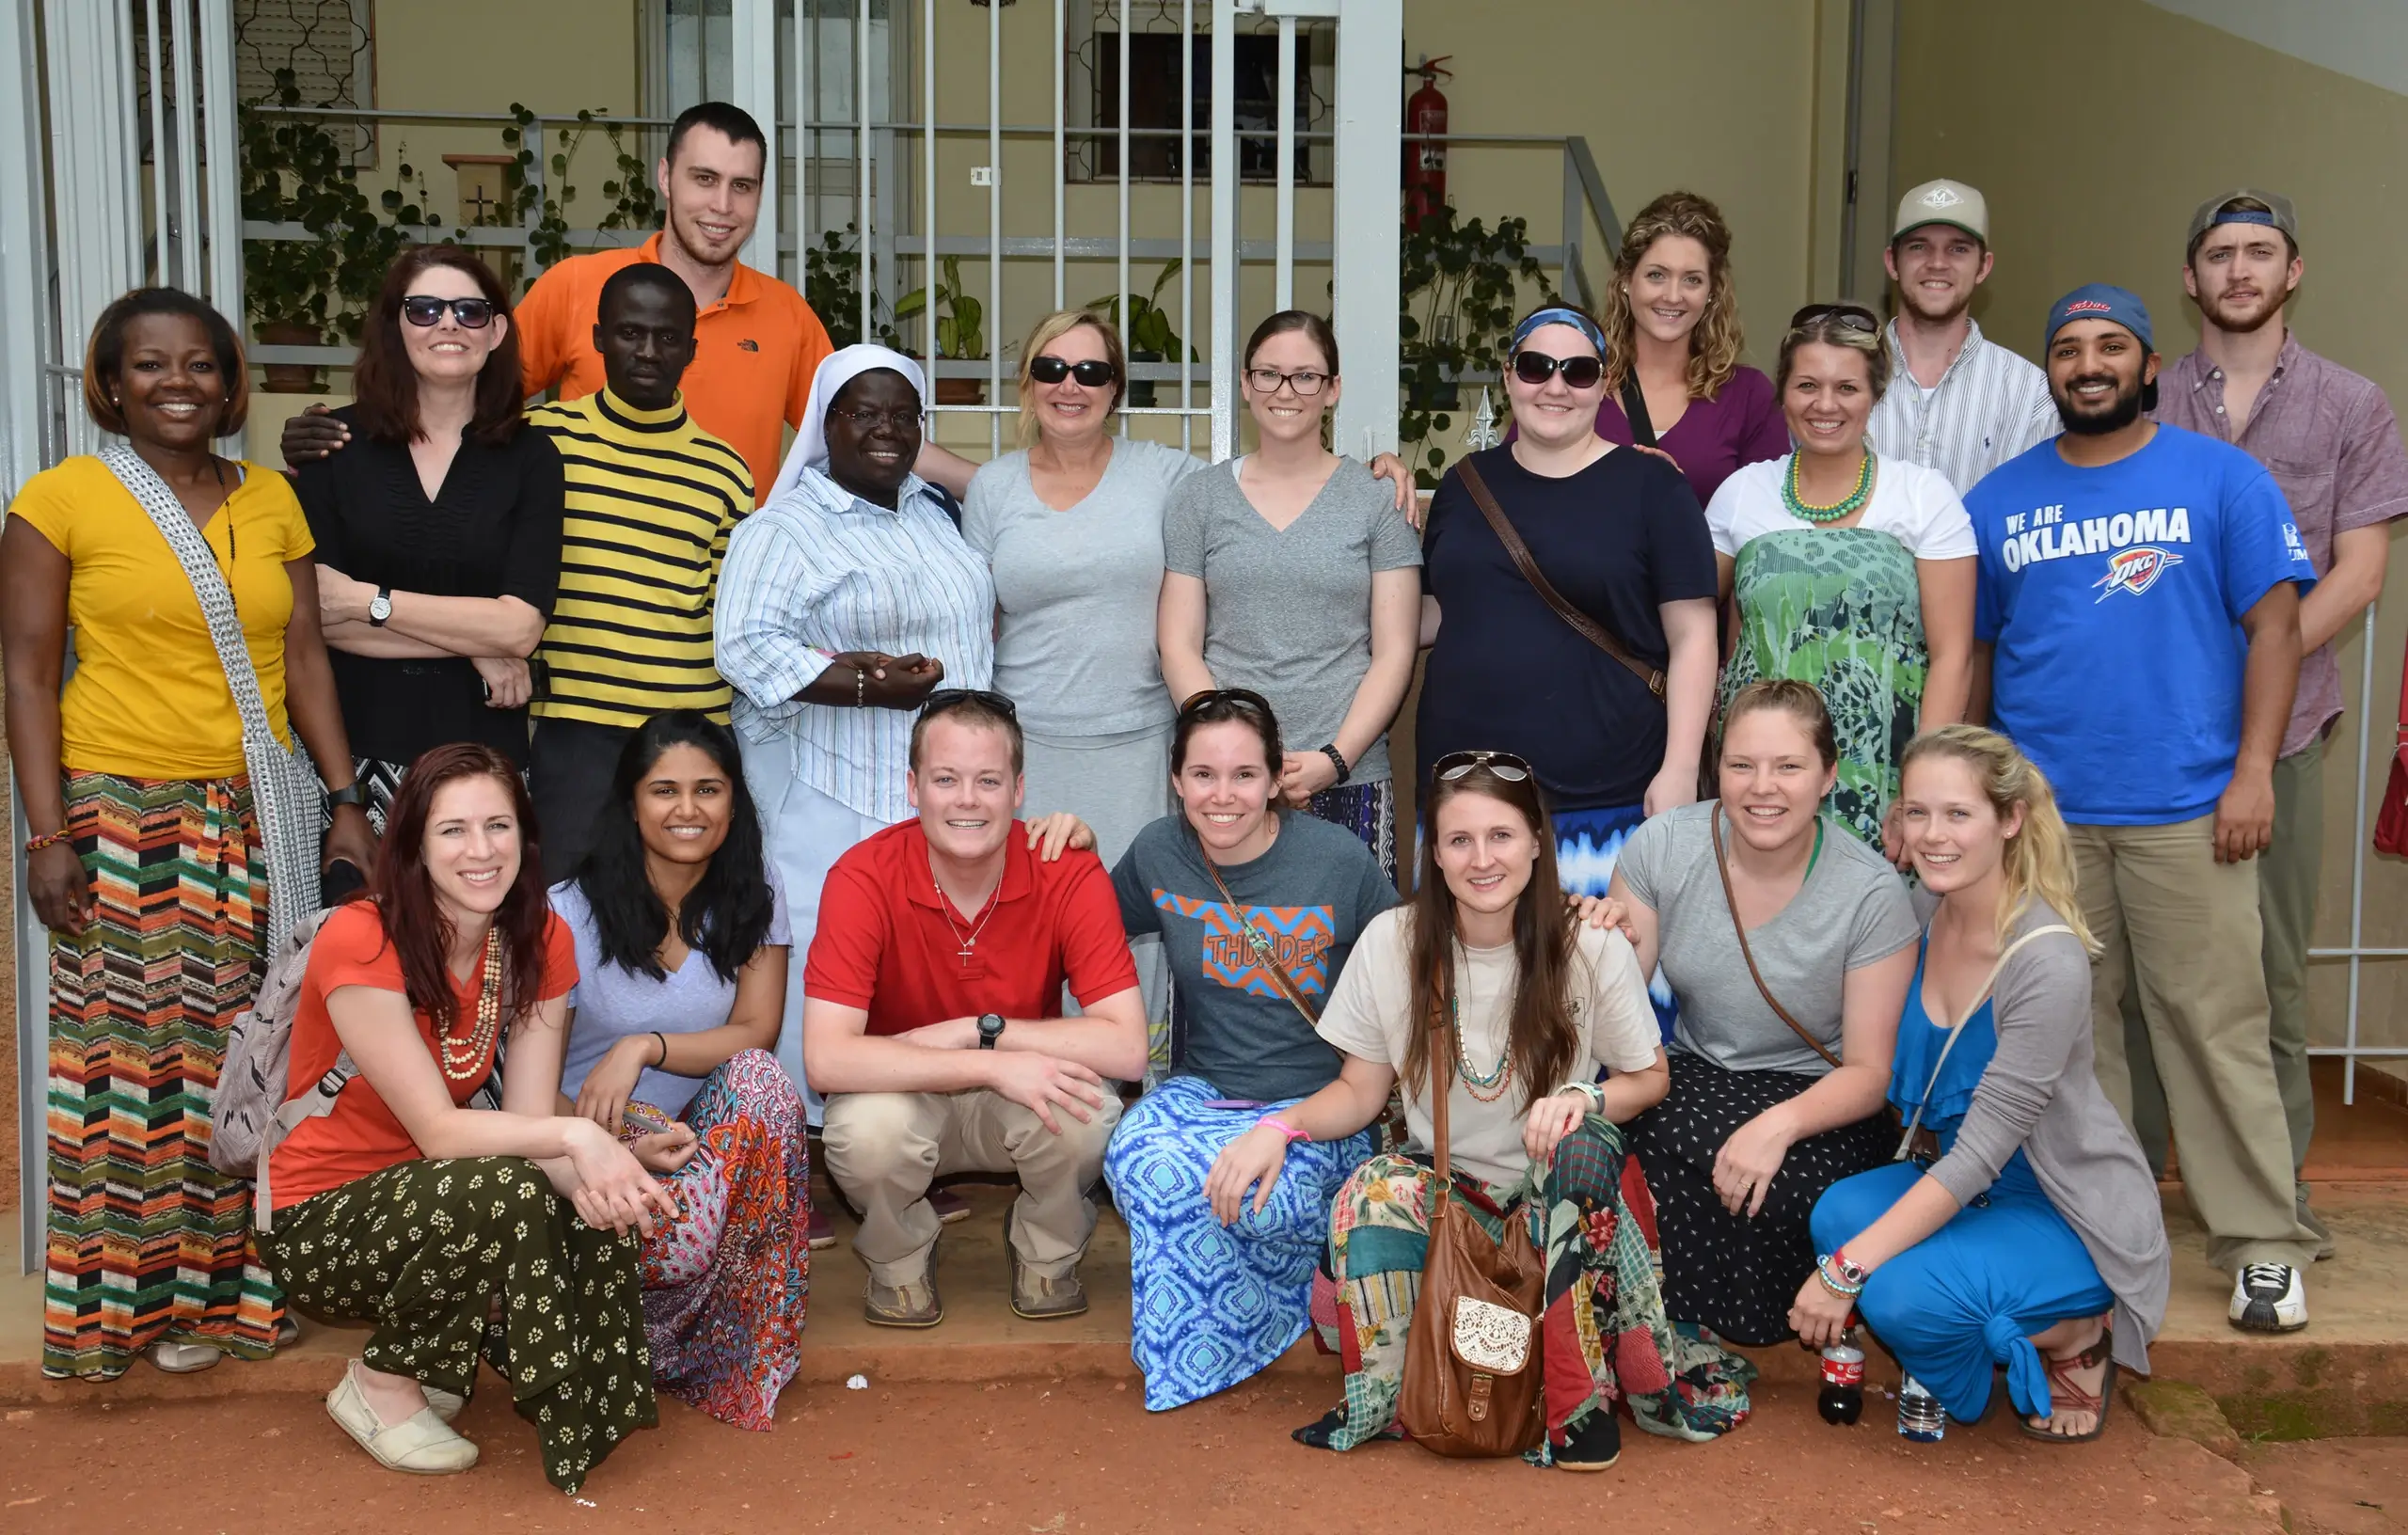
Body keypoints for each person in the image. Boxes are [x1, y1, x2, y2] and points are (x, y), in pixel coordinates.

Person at [2, 288, 376, 1381]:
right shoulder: (59, 499)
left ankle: (232, 1299)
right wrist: (44, 835)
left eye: (202, 365)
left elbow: (305, 656)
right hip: (121, 812)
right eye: (151, 366)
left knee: (245, 1057)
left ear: (232, 383)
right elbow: (25, 675)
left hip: (257, 814)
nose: (179, 383)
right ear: (110, 385)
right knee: (125, 1067)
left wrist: (346, 799)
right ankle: (117, 1313)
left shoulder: (271, 503)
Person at [1212, 752, 1750, 1467]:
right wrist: (1279, 1127)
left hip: (1554, 1198)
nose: (1481, 859)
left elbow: (1648, 1078)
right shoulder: (1393, 944)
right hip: (1448, 1197)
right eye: (1459, 841)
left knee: (1583, 1147)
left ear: (1536, 841)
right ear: (1435, 854)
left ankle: (1574, 1401)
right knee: (1371, 1191)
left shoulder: (1591, 943)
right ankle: (1395, 1395)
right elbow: (1362, 1092)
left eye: (1501, 836)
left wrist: (1582, 1095)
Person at [1965, 283, 2323, 1332]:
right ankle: (2100, 1226)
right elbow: (1981, 656)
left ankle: (2261, 1240)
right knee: (2071, 1038)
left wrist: (2253, 771)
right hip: (2047, 822)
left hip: (2186, 807)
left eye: (2109, 346)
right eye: (2068, 347)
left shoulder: (2222, 479)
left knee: (2214, 1026)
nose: (2088, 363)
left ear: (2148, 363)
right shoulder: (1998, 499)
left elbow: (2277, 628)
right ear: (2049, 373)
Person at [258, 744, 666, 1490]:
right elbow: (444, 1134)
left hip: (435, 1197)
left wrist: (598, 1183)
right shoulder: (362, 937)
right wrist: (583, 1135)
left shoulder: (541, 938)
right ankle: (382, 1383)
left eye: (499, 826)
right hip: (317, 1218)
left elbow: (527, 1121)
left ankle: (435, 1357)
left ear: (525, 837)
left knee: (578, 1198)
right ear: (412, 843)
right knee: (506, 1186)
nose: (481, 852)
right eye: (453, 831)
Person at [280, 103, 977, 501]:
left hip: (725, 596)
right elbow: (462, 392)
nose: (722, 205)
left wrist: (998, 487)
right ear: (666, 177)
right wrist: (347, 432)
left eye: (743, 185)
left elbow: (863, 429)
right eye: (705, 178)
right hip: (586, 598)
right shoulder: (583, 286)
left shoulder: (785, 315)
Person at [2148, 190, 2408, 1258]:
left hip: (2290, 729)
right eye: (2219, 253)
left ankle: (2272, 1204)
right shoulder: (2144, 395)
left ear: (2292, 271)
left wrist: (2258, 660)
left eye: (2260, 252)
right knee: (2139, 977)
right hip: (2152, 734)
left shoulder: (2351, 405)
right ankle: (2135, 1192)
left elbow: (2360, 569)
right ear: (2190, 277)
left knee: (2270, 975)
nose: (2240, 270)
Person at [1798, 726, 2170, 1441]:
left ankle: (2075, 1332)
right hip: (1962, 1185)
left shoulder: (2045, 957)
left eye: (1958, 814)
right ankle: (1962, 1312)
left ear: (2010, 819)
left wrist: (1846, 1275)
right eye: (1916, 812)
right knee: (1838, 1215)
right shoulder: (1923, 914)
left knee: (1897, 1291)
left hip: (2059, 1205)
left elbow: (1978, 1155)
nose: (1933, 835)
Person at [800, 692, 1147, 1326]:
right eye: (946, 779)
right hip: (905, 1093)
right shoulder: (862, 876)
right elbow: (825, 1060)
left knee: (1086, 1113)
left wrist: (986, 1039)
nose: (967, 799)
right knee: (864, 1138)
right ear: (912, 786)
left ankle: (1047, 1250)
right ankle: (899, 1260)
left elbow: (1126, 1048)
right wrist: (981, 1053)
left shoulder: (1065, 868)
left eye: (988, 780)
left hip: (1004, 1090)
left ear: (1018, 790)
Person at [1099, 689, 1398, 1411]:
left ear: (1275, 779)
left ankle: (1291, 1295)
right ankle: (1205, 1343)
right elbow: (1079, 928)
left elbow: (1412, 967)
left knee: (1262, 1201)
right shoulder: (1158, 853)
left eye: (1243, 775)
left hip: (1322, 1106)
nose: (1222, 795)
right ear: (1177, 779)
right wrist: (1057, 843)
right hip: (1205, 1091)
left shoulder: (1340, 862)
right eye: (1203, 775)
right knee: (1139, 1162)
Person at [717, 344, 996, 1113]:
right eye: (865, 414)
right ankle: (804, 1153)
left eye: (904, 416)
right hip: (835, 786)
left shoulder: (932, 510)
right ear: (825, 423)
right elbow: (743, 644)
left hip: (939, 794)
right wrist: (871, 685)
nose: (887, 431)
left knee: (918, 971)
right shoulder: (784, 529)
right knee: (825, 965)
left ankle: (901, 1146)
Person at [1608, 681, 1919, 1346]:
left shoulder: (1870, 893)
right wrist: (1593, 954)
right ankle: (1662, 1333)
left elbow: (1869, 1072)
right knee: (1626, 1159)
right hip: (1696, 1074)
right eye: (1742, 765)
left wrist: (1776, 1127)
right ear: (1715, 768)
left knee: (1778, 1193)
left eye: (1789, 767)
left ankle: (1719, 1323)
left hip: (1816, 1093)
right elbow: (1616, 1009)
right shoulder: (1664, 846)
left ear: (1829, 775)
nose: (1762, 788)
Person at [551, 711, 808, 1432]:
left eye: (709, 789)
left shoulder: (754, 885)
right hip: (591, 1147)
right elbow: (537, 1092)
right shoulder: (566, 912)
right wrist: (621, 1148)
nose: (688, 810)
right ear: (630, 801)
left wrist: (644, 1046)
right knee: (674, 1228)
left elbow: (756, 1030)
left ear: (735, 800)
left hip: (698, 1145)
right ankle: (628, 1332)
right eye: (664, 790)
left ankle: (737, 1351)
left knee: (762, 1081)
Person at [1418, 305, 1719, 907]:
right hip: (1466, 798)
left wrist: (1681, 767)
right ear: (1508, 378)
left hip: (1605, 794)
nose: (1555, 386)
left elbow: (1693, 636)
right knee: (1467, 991)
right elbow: (1433, 613)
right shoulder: (1462, 483)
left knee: (1602, 986)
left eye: (1578, 372)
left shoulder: (1653, 487)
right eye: (1535, 367)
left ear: (1605, 385)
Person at [963, 311, 1201, 1053]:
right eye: (1052, 368)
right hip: (1026, 755)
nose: (1071, 386)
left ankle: (1140, 1107)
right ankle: (1042, 1100)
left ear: (1117, 388)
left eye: (1092, 372)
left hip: (1135, 748)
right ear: (1027, 383)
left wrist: (1379, 471)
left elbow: (1266, 494)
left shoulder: (1168, 475)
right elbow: (973, 619)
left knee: (1135, 936)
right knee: (1024, 931)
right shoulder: (994, 490)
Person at [296, 245, 564, 824]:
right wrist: (475, 645)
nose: (448, 323)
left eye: (470, 311)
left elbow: (520, 628)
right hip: (354, 759)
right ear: (396, 325)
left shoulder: (532, 457)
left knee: (482, 914)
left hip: (485, 763)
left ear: (496, 332)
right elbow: (318, 613)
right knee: (357, 916)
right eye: (424, 309)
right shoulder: (333, 445)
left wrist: (367, 601)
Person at [1158, 310, 1423, 880]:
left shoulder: (1379, 499)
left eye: (1306, 376)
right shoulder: (1198, 499)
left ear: (1333, 391)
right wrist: (1236, 759)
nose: (1286, 391)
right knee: (1223, 955)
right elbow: (1179, 647)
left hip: (1348, 774)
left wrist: (1335, 758)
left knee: (1355, 960)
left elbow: (1395, 651)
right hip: (1227, 789)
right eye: (1269, 374)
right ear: (1246, 385)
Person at [1707, 302, 1976, 847]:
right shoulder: (1741, 496)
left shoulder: (1924, 497)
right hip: (1762, 783)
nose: (1825, 404)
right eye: (1807, 384)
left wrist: (1919, 797)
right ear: (1782, 392)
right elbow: (1706, 634)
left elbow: (1953, 657)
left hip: (1882, 779)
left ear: (1875, 394)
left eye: (1847, 388)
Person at [523, 261, 753, 878]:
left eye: (667, 337)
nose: (648, 351)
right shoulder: (542, 441)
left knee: (682, 923)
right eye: (629, 333)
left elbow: (725, 612)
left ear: (691, 349)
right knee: (559, 918)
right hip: (577, 728)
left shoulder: (724, 470)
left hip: (688, 733)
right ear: (598, 338)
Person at [1592, 190, 1790, 508]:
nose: (1673, 296)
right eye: (1656, 275)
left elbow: (1769, 528)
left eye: (1692, 280)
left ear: (1712, 292)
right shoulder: (1577, 379)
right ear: (1626, 281)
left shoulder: (1747, 396)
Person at [1863, 179, 2058, 496]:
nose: (1937, 263)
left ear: (1984, 267)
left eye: (1958, 249)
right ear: (1891, 262)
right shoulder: (1839, 379)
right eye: (1918, 247)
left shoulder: (2030, 393)